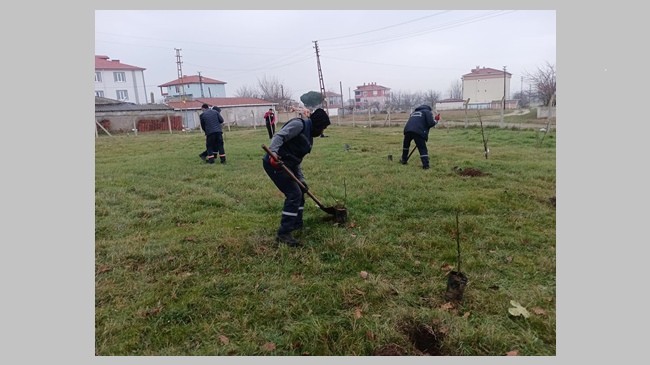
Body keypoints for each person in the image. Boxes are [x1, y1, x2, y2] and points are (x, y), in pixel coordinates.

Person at [263, 108, 331, 247]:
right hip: (275, 164)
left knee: (301, 191)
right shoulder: (299, 125)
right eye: (322, 128)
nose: (322, 132)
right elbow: (279, 136)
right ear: (318, 124)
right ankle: (284, 234)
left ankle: (297, 224)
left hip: (289, 165)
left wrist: (301, 180)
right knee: (294, 194)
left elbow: (296, 161)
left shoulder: (309, 138)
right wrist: (273, 153)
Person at [399, 105, 439, 169]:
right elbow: (430, 123)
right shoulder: (427, 112)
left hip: (407, 130)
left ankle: (404, 160)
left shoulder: (414, 113)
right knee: (422, 148)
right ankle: (426, 165)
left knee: (406, 146)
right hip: (418, 131)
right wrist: (436, 120)